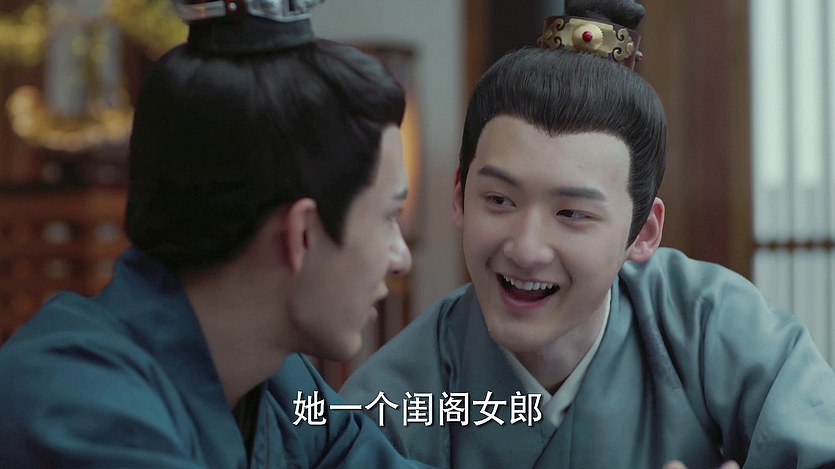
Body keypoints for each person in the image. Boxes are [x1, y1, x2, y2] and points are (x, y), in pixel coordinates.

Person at [340, 0, 835, 468]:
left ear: (643, 232)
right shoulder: (393, 398)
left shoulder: (709, 324)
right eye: (500, 201)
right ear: (459, 197)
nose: (526, 248)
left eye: (572, 213)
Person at [0, 0, 429, 467]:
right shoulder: (75, 404)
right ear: (301, 234)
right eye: (388, 217)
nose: (400, 257)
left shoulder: (281, 386)